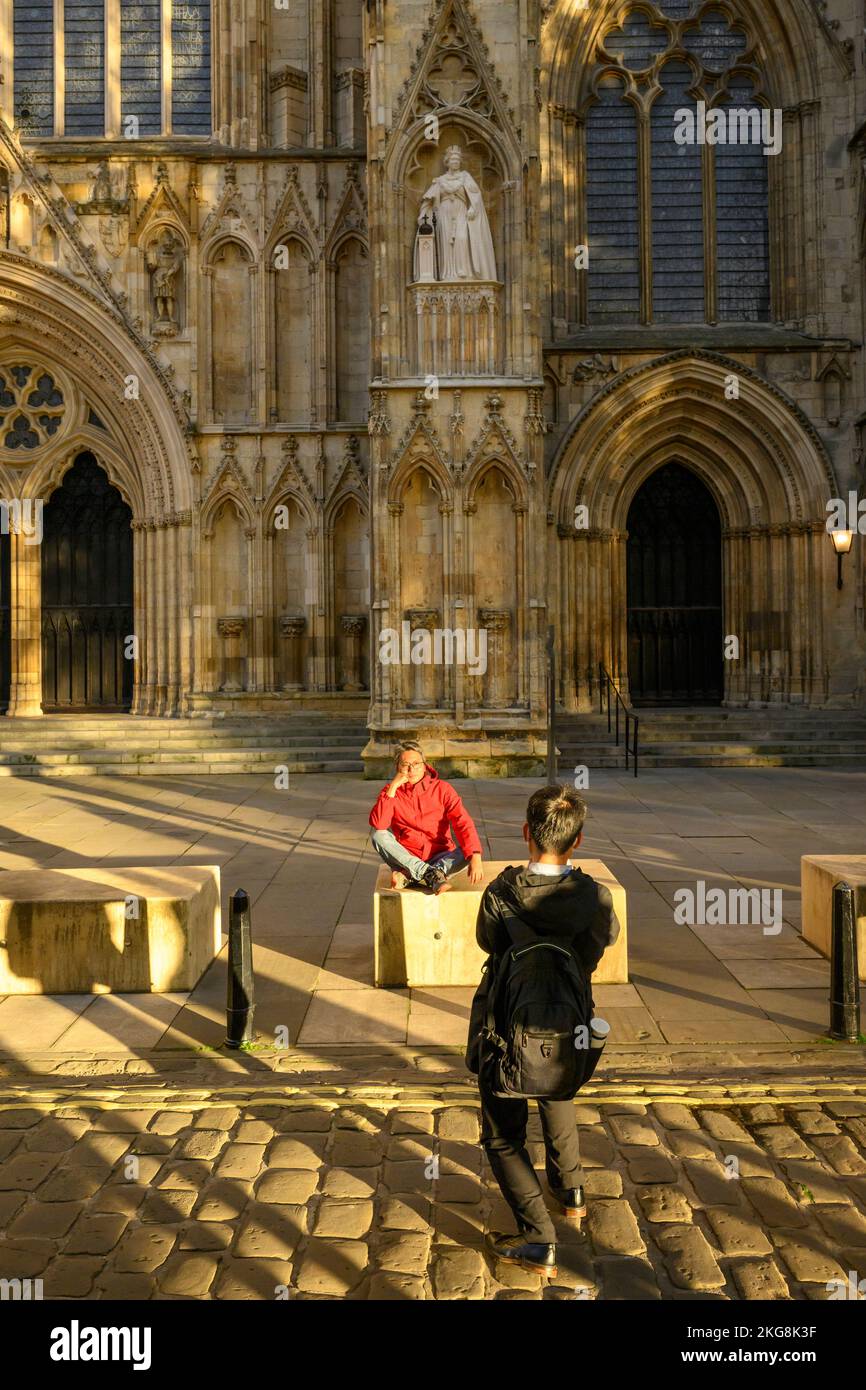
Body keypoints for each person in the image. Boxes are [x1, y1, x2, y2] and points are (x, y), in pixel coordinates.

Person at [475, 784, 620, 1275]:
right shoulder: (594, 896)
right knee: (559, 1094)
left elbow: (488, 943)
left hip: (508, 1021)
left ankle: (537, 1239)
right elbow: (599, 946)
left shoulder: (501, 892)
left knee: (502, 1134)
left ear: (525, 833)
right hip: (567, 1019)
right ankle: (571, 1191)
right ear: (577, 841)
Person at [369, 741, 484, 893]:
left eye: (416, 763)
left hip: (442, 855)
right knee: (378, 836)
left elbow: (462, 821)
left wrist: (475, 856)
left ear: (424, 765)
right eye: (405, 764)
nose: (412, 769)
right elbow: (379, 824)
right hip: (408, 857)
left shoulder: (442, 789)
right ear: (397, 767)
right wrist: (393, 788)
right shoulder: (391, 791)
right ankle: (431, 875)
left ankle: (413, 875)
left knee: (468, 848)